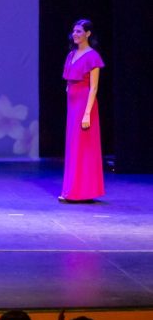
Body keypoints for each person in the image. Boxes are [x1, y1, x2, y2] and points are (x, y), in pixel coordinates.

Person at [60, 19, 105, 202]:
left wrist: (87, 114)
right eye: (74, 31)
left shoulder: (92, 56)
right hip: (72, 105)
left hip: (84, 105)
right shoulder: (71, 54)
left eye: (79, 31)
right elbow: (69, 81)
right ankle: (71, 190)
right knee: (73, 146)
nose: (75, 34)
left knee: (84, 147)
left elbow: (93, 88)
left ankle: (84, 192)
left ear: (88, 33)